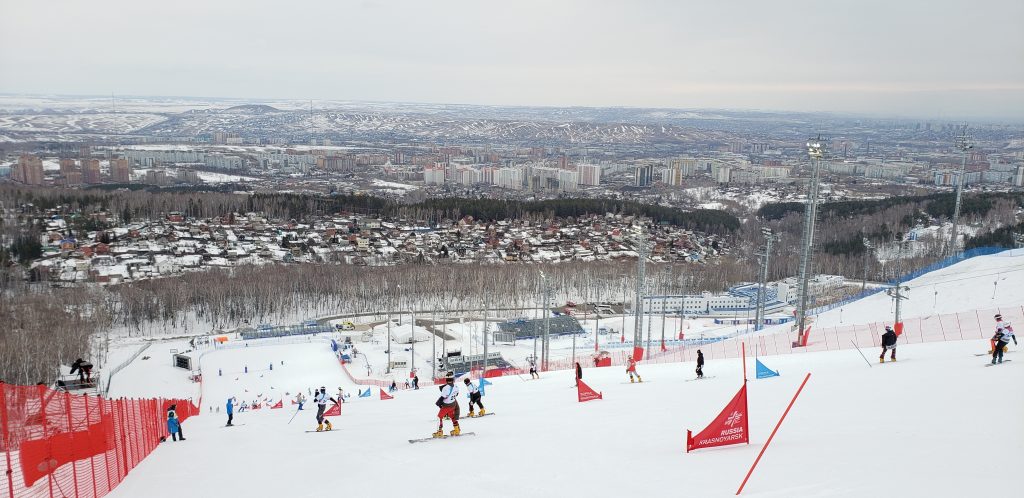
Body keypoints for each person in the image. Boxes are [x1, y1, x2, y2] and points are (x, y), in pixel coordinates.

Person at [433, 372, 461, 437]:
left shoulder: (445, 388)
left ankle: (439, 432)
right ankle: (457, 430)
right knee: (452, 416)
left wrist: (438, 403)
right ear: (453, 379)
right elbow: (456, 394)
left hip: (447, 406)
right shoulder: (456, 386)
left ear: (446, 379)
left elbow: (442, 397)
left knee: (439, 417)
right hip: (453, 404)